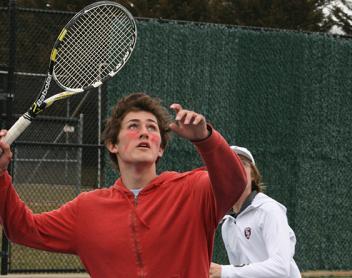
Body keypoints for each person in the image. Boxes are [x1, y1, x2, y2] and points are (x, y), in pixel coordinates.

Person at [0, 93, 247, 278]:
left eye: (152, 128)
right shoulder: (87, 209)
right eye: (133, 126)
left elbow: (235, 184)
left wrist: (206, 139)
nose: (144, 133)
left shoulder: (194, 189)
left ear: (160, 147)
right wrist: (1, 175)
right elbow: (23, 229)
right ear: (112, 145)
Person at [209, 146, 301, 278]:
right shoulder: (227, 225)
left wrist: (224, 271)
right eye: (229, 166)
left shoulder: (269, 210)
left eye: (242, 165)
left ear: (253, 174)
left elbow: (281, 268)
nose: (236, 171)